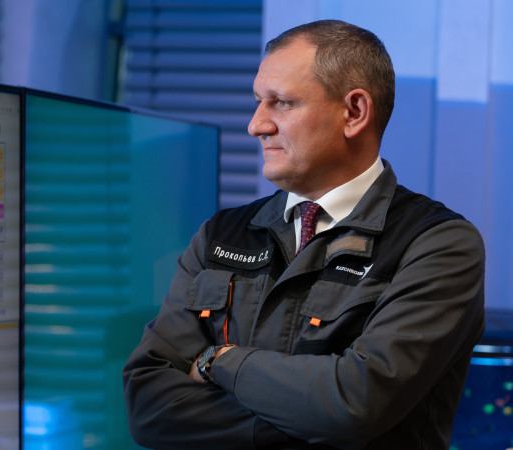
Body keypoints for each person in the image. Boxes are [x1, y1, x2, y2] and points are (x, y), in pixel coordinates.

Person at [122, 19, 485, 450]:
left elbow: (355, 404)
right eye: (258, 102)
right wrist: (310, 425)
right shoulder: (221, 236)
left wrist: (217, 360)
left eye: (281, 103)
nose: (256, 125)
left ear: (354, 113)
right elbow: (148, 406)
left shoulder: (437, 245)